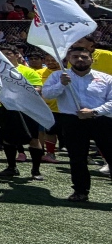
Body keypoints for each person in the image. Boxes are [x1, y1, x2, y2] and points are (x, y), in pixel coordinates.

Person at [40, 46, 112, 202]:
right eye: (75, 56)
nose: (80, 59)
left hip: (101, 120)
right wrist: (62, 84)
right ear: (68, 59)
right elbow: (47, 94)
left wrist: (94, 112)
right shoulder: (58, 76)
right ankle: (80, 191)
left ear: (92, 59)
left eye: (84, 57)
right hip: (72, 121)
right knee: (77, 158)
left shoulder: (106, 78)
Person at [0, 44, 45, 180]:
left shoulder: (27, 71)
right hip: (3, 109)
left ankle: (36, 171)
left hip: (25, 110)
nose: (4, 57)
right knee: (7, 139)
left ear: (17, 56)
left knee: (33, 139)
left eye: (8, 54)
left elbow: (37, 89)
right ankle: (11, 167)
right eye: (1, 54)